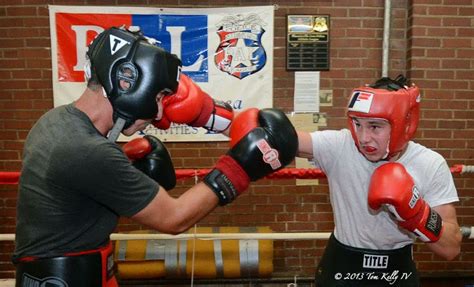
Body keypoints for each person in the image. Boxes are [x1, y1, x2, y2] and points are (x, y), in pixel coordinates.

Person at [13, 26, 298, 287]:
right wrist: (239, 168)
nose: (160, 114)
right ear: (127, 82)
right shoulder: (87, 151)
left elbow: (72, 183)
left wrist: (123, 160)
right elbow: (174, 219)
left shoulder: (55, 121)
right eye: (159, 96)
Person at [296, 75, 462, 286]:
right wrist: (262, 131)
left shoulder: (430, 164)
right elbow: (290, 140)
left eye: (375, 127)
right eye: (358, 124)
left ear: (404, 124)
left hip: (396, 271)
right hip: (341, 268)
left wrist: (417, 214)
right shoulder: (341, 145)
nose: (364, 137)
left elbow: (451, 248)